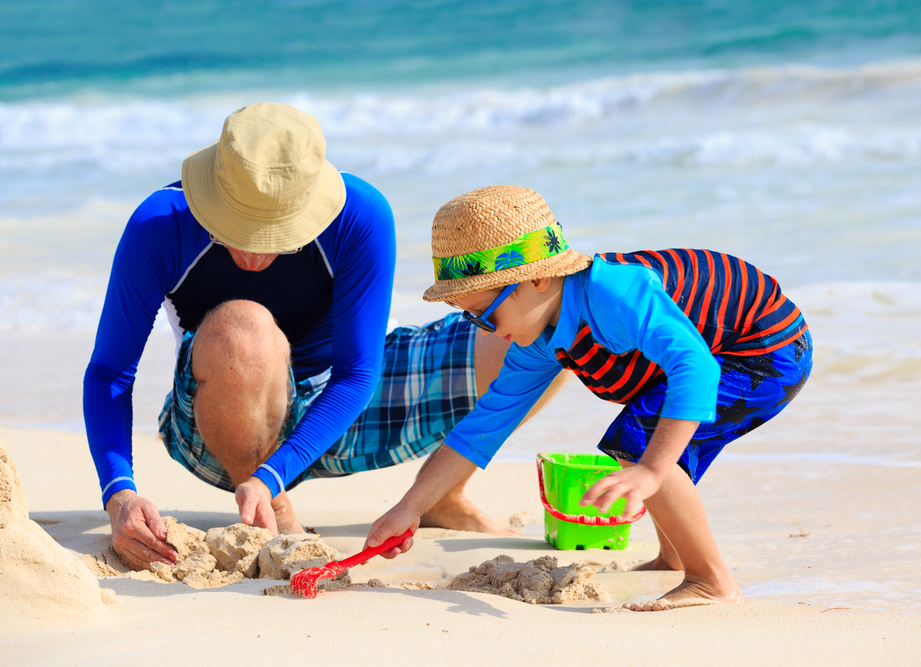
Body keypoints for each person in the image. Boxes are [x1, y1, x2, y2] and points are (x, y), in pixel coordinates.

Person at [83, 103, 564, 572]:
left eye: (276, 235)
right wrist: (118, 492)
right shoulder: (159, 225)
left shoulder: (360, 214)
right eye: (238, 229)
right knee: (244, 325)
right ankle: (271, 509)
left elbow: (358, 373)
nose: (254, 256)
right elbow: (110, 370)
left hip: (338, 407)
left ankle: (442, 494)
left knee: (544, 329)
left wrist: (273, 469)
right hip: (217, 425)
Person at [364, 185, 813, 611]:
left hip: (764, 350)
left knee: (640, 444)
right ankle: (673, 557)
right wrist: (410, 506)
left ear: (537, 280)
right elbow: (482, 427)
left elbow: (694, 367)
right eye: (472, 318)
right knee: (643, 429)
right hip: (714, 351)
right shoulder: (537, 340)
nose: (486, 330)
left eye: (486, 314)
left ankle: (710, 581)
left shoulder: (614, 293)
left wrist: (653, 470)